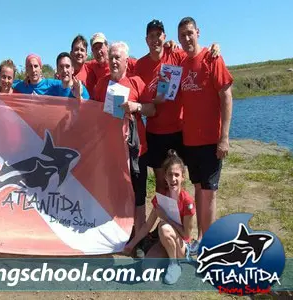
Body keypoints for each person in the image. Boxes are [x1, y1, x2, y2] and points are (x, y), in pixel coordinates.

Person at [136, 19, 221, 195]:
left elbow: (195, 53)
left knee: (177, 180)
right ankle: (163, 221)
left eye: (158, 35)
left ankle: (180, 220)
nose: (155, 39)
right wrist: (154, 102)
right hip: (155, 132)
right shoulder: (140, 65)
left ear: (164, 36)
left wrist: (214, 47)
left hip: (178, 131)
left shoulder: (176, 54)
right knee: (161, 182)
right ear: (146, 40)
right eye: (151, 36)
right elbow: (135, 94)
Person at [93, 41, 155, 258]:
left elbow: (152, 108)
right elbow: (91, 111)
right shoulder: (102, 84)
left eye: (118, 57)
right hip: (111, 150)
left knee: (138, 195)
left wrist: (136, 107)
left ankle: (140, 239)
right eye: (111, 57)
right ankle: (116, 236)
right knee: (115, 195)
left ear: (127, 61)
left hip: (136, 149)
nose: (113, 61)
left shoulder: (137, 82)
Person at [177, 17, 233, 252]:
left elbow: (226, 96)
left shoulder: (212, 58)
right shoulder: (181, 62)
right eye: (182, 35)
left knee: (209, 193)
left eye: (190, 33)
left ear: (198, 32)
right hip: (190, 140)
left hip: (211, 139)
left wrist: (224, 137)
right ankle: (201, 238)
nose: (187, 38)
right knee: (199, 188)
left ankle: (210, 245)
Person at [124, 150, 196, 284]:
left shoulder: (187, 202)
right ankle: (167, 260)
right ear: (165, 177)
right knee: (146, 268)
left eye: (177, 175)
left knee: (163, 227)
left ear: (182, 177)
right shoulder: (161, 198)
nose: (173, 179)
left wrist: (166, 218)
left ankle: (175, 265)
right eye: (170, 175)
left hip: (181, 245)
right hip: (165, 240)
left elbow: (186, 234)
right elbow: (147, 226)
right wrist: (131, 244)